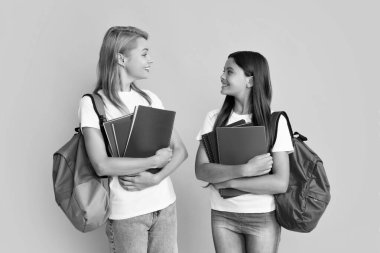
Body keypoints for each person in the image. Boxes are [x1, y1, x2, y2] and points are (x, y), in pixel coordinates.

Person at [79, 26, 188, 253]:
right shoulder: (93, 104)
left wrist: (155, 180)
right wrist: (153, 162)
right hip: (127, 213)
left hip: (165, 206)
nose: (150, 60)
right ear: (121, 58)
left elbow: (180, 151)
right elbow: (101, 165)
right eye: (144, 54)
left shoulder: (150, 99)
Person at [195, 51, 293, 253]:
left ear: (250, 81)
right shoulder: (213, 119)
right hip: (222, 216)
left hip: (262, 217)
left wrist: (229, 182)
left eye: (229, 71)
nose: (222, 76)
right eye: (223, 70)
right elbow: (201, 171)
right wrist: (245, 169)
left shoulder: (274, 122)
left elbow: (280, 183)